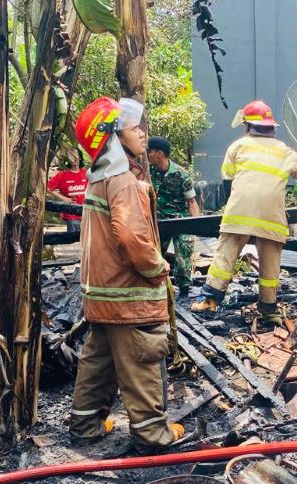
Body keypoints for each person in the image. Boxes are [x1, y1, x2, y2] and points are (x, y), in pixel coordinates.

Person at [69, 96, 185, 449]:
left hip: (102, 294)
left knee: (98, 359)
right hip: (128, 295)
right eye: (135, 128)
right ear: (114, 136)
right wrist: (156, 267)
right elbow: (132, 235)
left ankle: (85, 426)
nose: (142, 134)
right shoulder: (122, 179)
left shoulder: (100, 177)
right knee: (141, 358)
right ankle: (152, 433)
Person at [190, 100, 297, 324]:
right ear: (271, 127)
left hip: (238, 213)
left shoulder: (237, 147)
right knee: (271, 264)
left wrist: (236, 209)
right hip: (272, 219)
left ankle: (209, 301)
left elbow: (228, 183)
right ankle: (268, 309)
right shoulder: (285, 152)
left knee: (225, 256)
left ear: (247, 125)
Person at [147, 136, 199, 297]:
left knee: (183, 259)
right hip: (159, 221)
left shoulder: (181, 174)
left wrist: (195, 226)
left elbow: (192, 202)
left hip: (180, 220)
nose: (148, 154)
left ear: (160, 153)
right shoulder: (149, 172)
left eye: (150, 151)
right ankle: (158, 291)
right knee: (154, 257)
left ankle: (184, 292)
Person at [47, 148, 88, 234]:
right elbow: (48, 187)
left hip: (87, 213)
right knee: (74, 239)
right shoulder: (62, 174)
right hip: (72, 214)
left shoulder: (86, 173)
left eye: (75, 155)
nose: (73, 158)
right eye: (70, 156)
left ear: (80, 157)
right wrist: (63, 198)